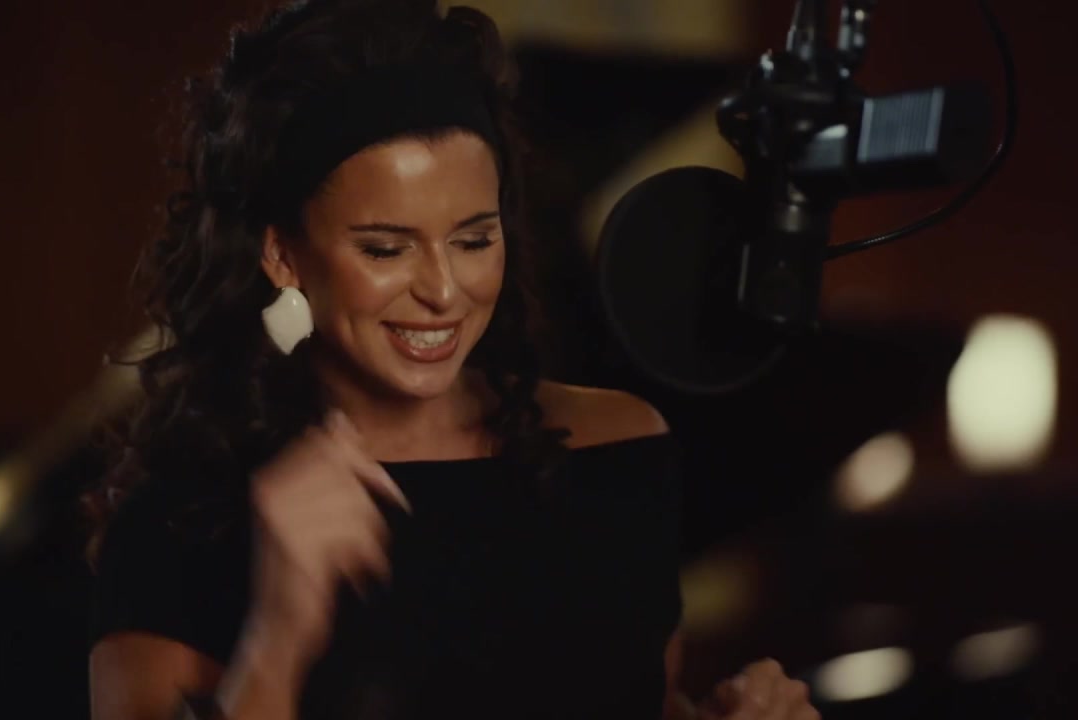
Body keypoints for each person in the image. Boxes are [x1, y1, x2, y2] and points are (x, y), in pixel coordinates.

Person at [87, 1, 820, 718]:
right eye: (386, 249)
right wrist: (277, 639)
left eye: (473, 240)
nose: (444, 291)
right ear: (282, 254)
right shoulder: (182, 520)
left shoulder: (621, 450)